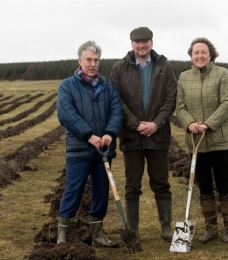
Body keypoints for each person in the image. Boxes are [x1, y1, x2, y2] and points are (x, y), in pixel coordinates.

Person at [111, 27, 177, 242]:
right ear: (131, 44)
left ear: (151, 42)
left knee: (161, 182)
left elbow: (170, 99)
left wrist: (156, 124)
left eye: (146, 41)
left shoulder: (164, 67)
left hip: (158, 136)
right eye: (138, 42)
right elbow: (117, 101)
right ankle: (133, 230)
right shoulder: (119, 68)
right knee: (132, 184)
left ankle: (167, 228)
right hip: (132, 137)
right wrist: (135, 124)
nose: (142, 45)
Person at [56, 40, 123, 247]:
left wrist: (110, 134)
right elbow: (66, 114)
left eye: (96, 60)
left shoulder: (106, 85)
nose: (93, 64)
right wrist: (89, 135)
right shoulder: (68, 85)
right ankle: (62, 235)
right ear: (80, 61)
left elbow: (116, 110)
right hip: (80, 149)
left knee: (102, 191)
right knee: (73, 190)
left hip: (103, 149)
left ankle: (98, 234)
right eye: (89, 60)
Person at [175, 37, 228, 243]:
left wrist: (208, 124)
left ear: (211, 54)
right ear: (191, 56)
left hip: (218, 139)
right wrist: (190, 123)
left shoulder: (222, 74)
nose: (199, 56)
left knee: (223, 183)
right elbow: (180, 107)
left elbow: (227, 102)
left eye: (203, 52)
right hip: (195, 142)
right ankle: (211, 228)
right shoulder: (183, 77)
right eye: (195, 53)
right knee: (204, 186)